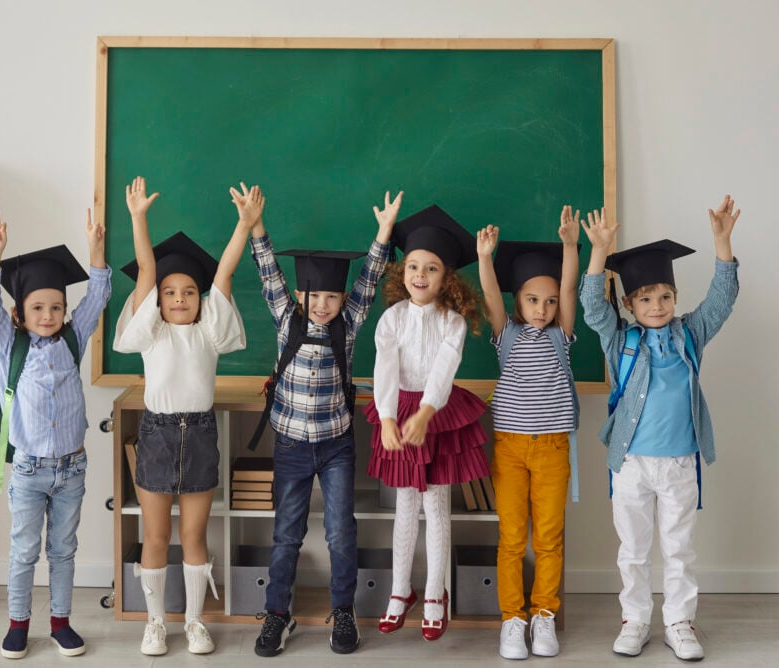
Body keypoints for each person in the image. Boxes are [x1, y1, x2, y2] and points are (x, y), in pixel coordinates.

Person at [579, 195, 740, 661]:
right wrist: (598, 250)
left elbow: (722, 299)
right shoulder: (620, 341)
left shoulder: (691, 335)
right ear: (629, 303)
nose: (656, 305)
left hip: (680, 462)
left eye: (664, 296)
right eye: (645, 299)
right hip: (630, 464)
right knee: (632, 549)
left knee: (679, 548)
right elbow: (592, 305)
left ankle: (679, 622)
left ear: (675, 298)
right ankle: (634, 620)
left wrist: (722, 243)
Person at [248, 190, 403, 657]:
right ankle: (278, 614)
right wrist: (257, 226)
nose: (323, 304)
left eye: (332, 296)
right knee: (286, 533)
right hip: (291, 446)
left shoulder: (348, 324)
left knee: (340, 531)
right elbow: (267, 271)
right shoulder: (285, 319)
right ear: (299, 295)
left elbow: (370, 280)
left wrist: (384, 231)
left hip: (336, 444)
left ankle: (343, 612)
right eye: (315, 296)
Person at [113, 177, 250, 656]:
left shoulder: (209, 332)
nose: (177, 298)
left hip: (201, 434)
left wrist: (244, 225)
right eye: (169, 293)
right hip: (157, 434)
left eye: (188, 292)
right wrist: (137, 218)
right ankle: (155, 623)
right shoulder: (151, 334)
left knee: (193, 535)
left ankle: (194, 622)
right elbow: (146, 273)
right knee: (155, 534)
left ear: (200, 300)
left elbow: (225, 275)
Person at [0, 210, 111, 659]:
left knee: (64, 550)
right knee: (23, 552)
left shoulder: (75, 338)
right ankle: (18, 625)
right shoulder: (9, 344)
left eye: (57, 307)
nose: (49, 314)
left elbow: (99, 294)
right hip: (30, 471)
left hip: (72, 468)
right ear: (20, 313)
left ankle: (60, 623)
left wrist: (95, 249)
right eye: (38, 307)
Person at [366, 204, 490, 643]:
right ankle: (402, 591)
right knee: (404, 507)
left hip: (437, 414)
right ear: (403, 273)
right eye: (414, 266)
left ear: (446, 278)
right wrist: (385, 417)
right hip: (397, 409)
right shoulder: (391, 318)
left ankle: (436, 595)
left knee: (437, 507)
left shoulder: (452, 322)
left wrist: (426, 412)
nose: (421, 275)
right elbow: (384, 368)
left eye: (431, 268)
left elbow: (444, 368)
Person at [475, 207, 581, 660]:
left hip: (553, 447)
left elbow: (573, 285)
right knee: (513, 538)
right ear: (518, 300)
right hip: (511, 449)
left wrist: (572, 246)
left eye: (550, 301)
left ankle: (544, 616)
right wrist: (484, 257)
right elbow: (489, 295)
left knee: (550, 538)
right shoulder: (508, 335)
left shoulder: (562, 336)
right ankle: (512, 620)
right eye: (533, 300)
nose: (543, 308)